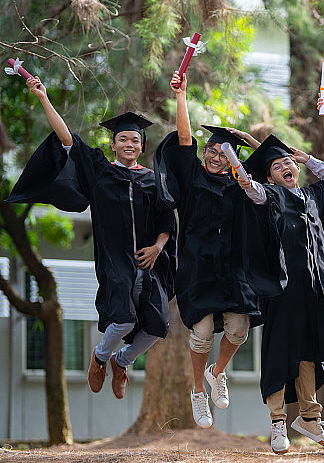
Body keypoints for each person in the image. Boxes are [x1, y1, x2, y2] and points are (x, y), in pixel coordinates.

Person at [8, 76, 176, 400]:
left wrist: (158, 247)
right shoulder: (100, 170)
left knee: (158, 325)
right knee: (124, 320)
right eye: (123, 139)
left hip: (148, 260)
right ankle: (100, 358)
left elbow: (167, 220)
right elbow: (67, 139)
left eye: (135, 140)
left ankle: (121, 361)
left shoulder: (153, 181)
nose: (129, 144)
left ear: (142, 145)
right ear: (113, 144)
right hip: (115, 259)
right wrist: (44, 98)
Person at [156, 72, 285, 428]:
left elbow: (277, 162)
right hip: (198, 268)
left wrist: (247, 139)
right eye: (211, 150)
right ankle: (199, 392)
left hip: (234, 270)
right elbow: (183, 139)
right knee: (201, 333)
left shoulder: (243, 185)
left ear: (231, 158)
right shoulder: (191, 177)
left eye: (222, 152)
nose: (215, 156)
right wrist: (182, 96)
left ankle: (218, 371)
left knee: (239, 329)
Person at [238, 95, 324, 453]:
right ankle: (277, 423)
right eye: (278, 165)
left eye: (291, 162)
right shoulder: (270, 195)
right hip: (282, 290)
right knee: (279, 354)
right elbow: (252, 188)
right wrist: (244, 168)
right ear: (270, 175)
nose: (287, 166)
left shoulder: (315, 194)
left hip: (316, 291)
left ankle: (311, 418)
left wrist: (308, 159)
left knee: (311, 353)